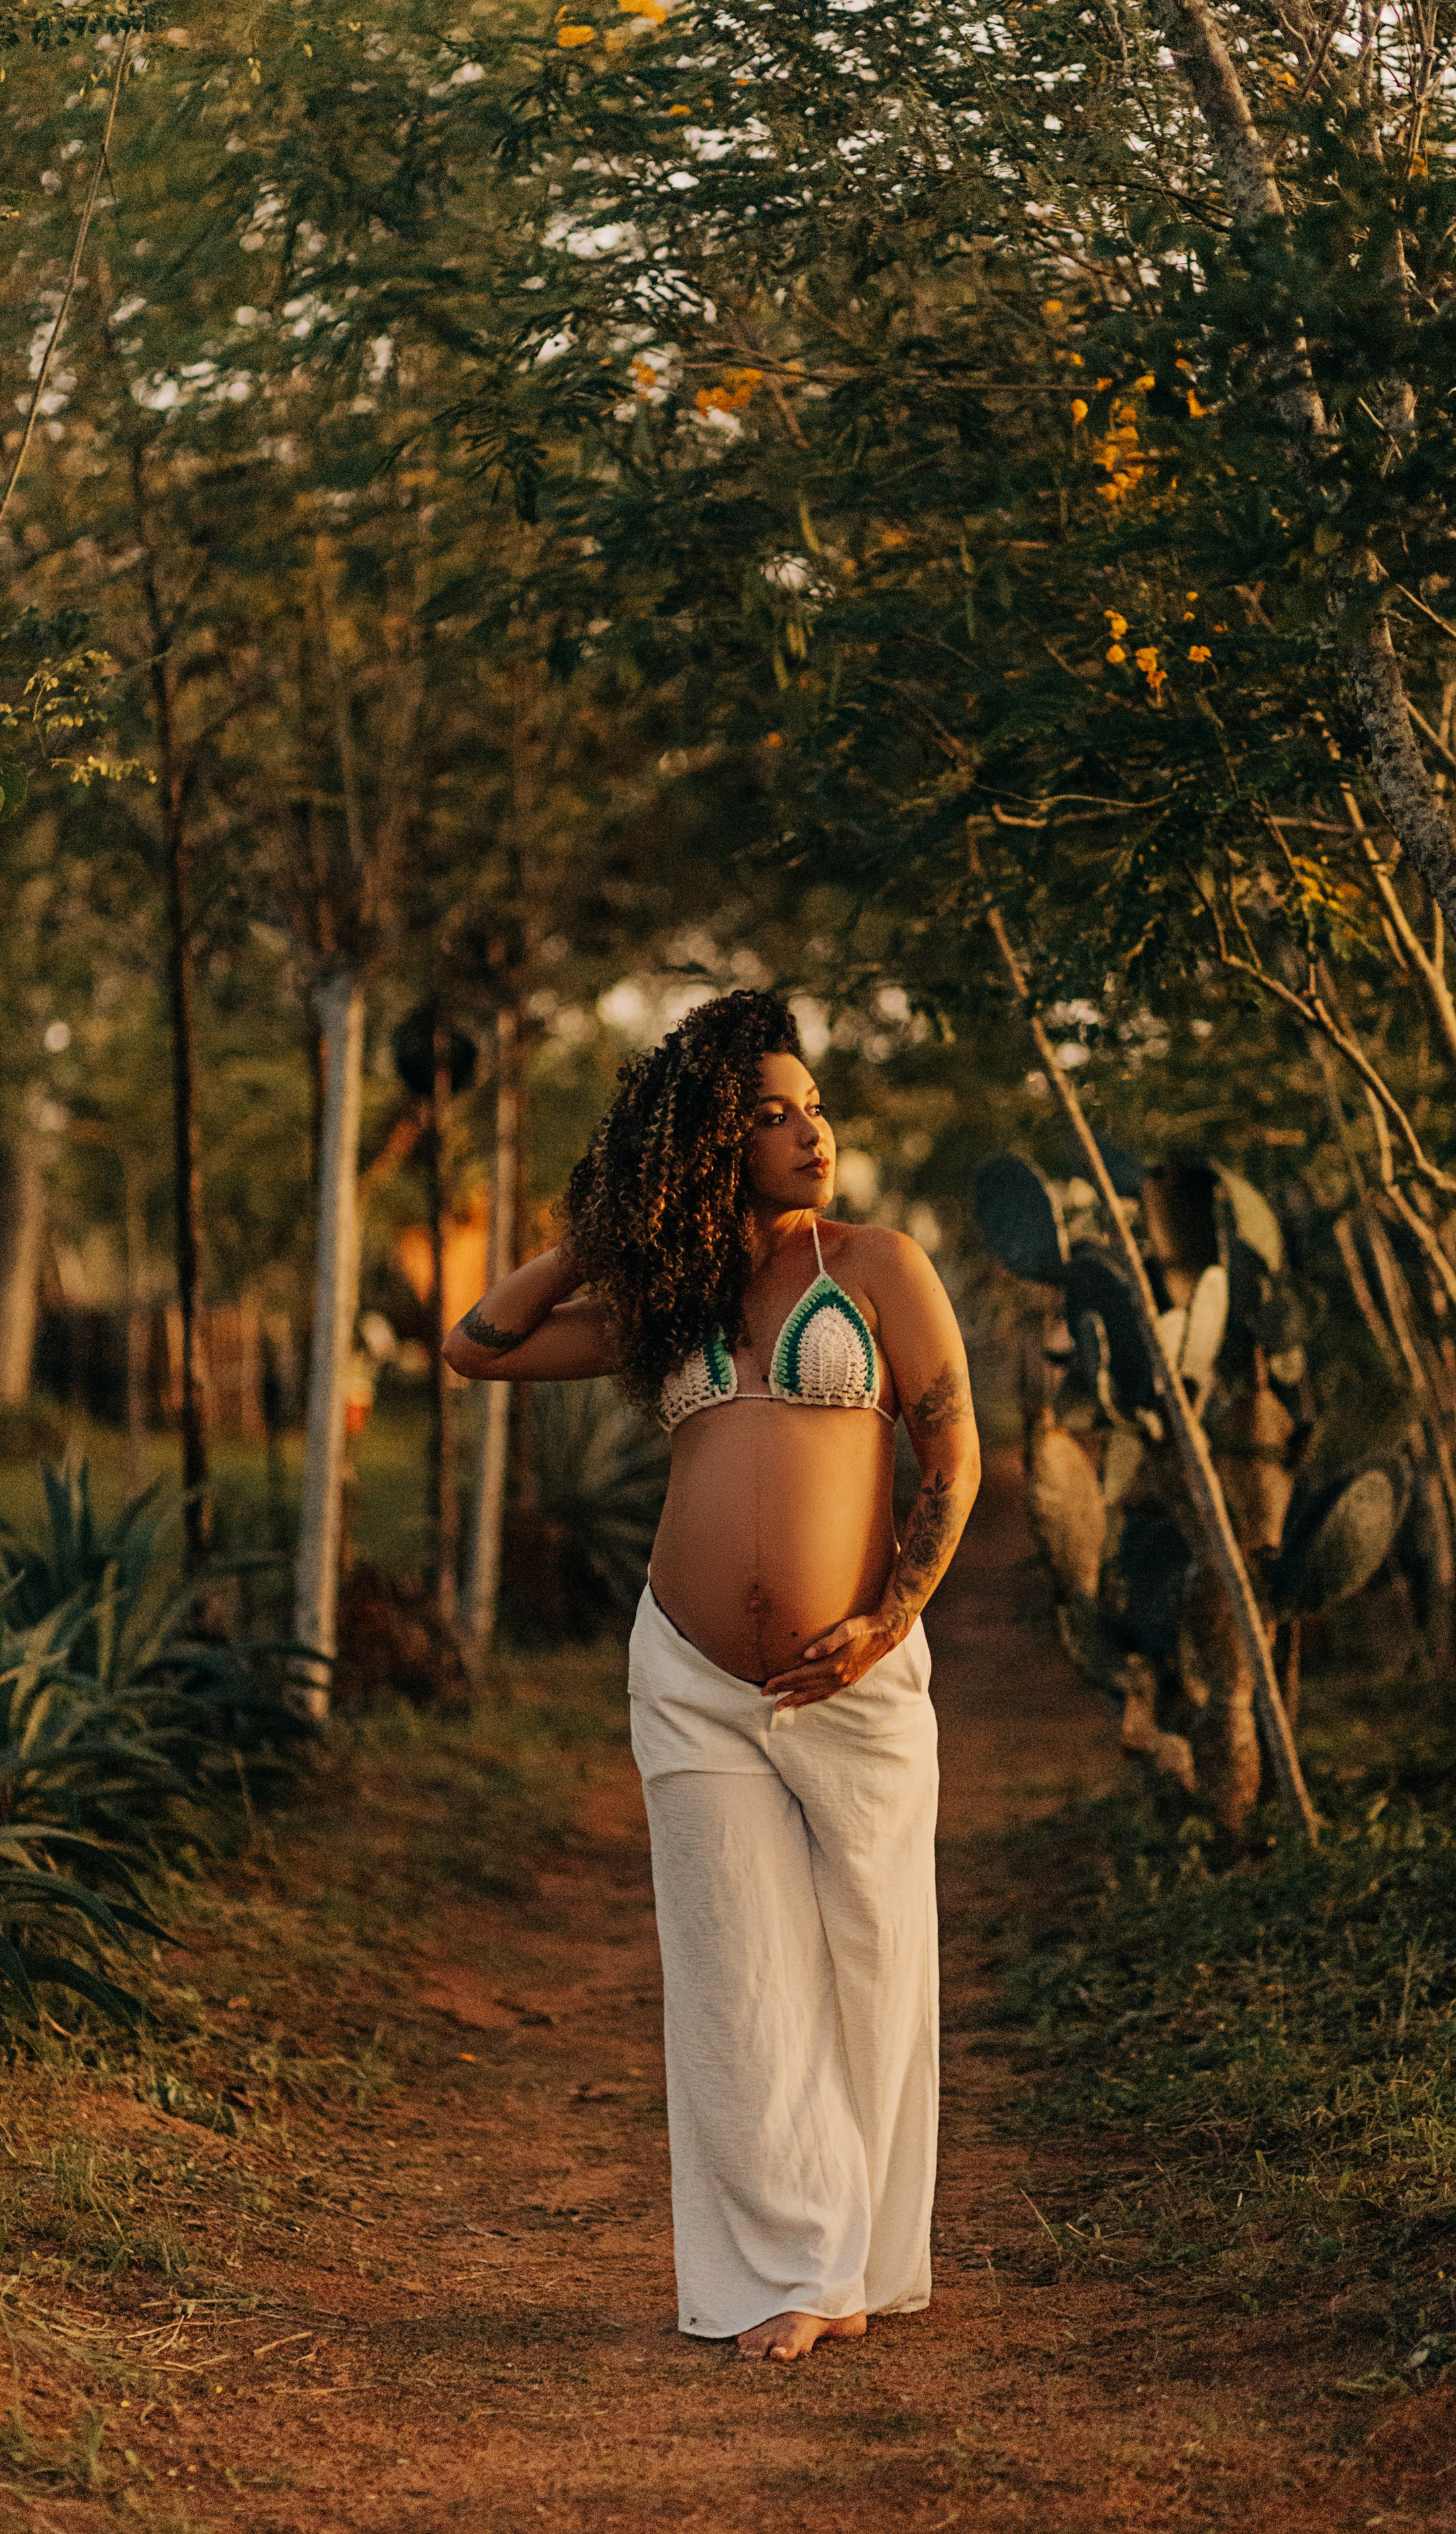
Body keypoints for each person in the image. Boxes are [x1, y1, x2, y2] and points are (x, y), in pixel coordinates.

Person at [445, 991, 981, 2362]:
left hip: (851, 1675)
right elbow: (479, 1345)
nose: (812, 1131)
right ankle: (796, 2272)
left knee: (870, 1956)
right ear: (705, 1146)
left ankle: (861, 2254)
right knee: (736, 1974)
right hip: (685, 1673)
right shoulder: (663, 1303)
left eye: (815, 1108)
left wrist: (886, 1619)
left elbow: (951, 1454)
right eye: (770, 1114)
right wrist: (613, 1228)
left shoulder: (874, 1266)